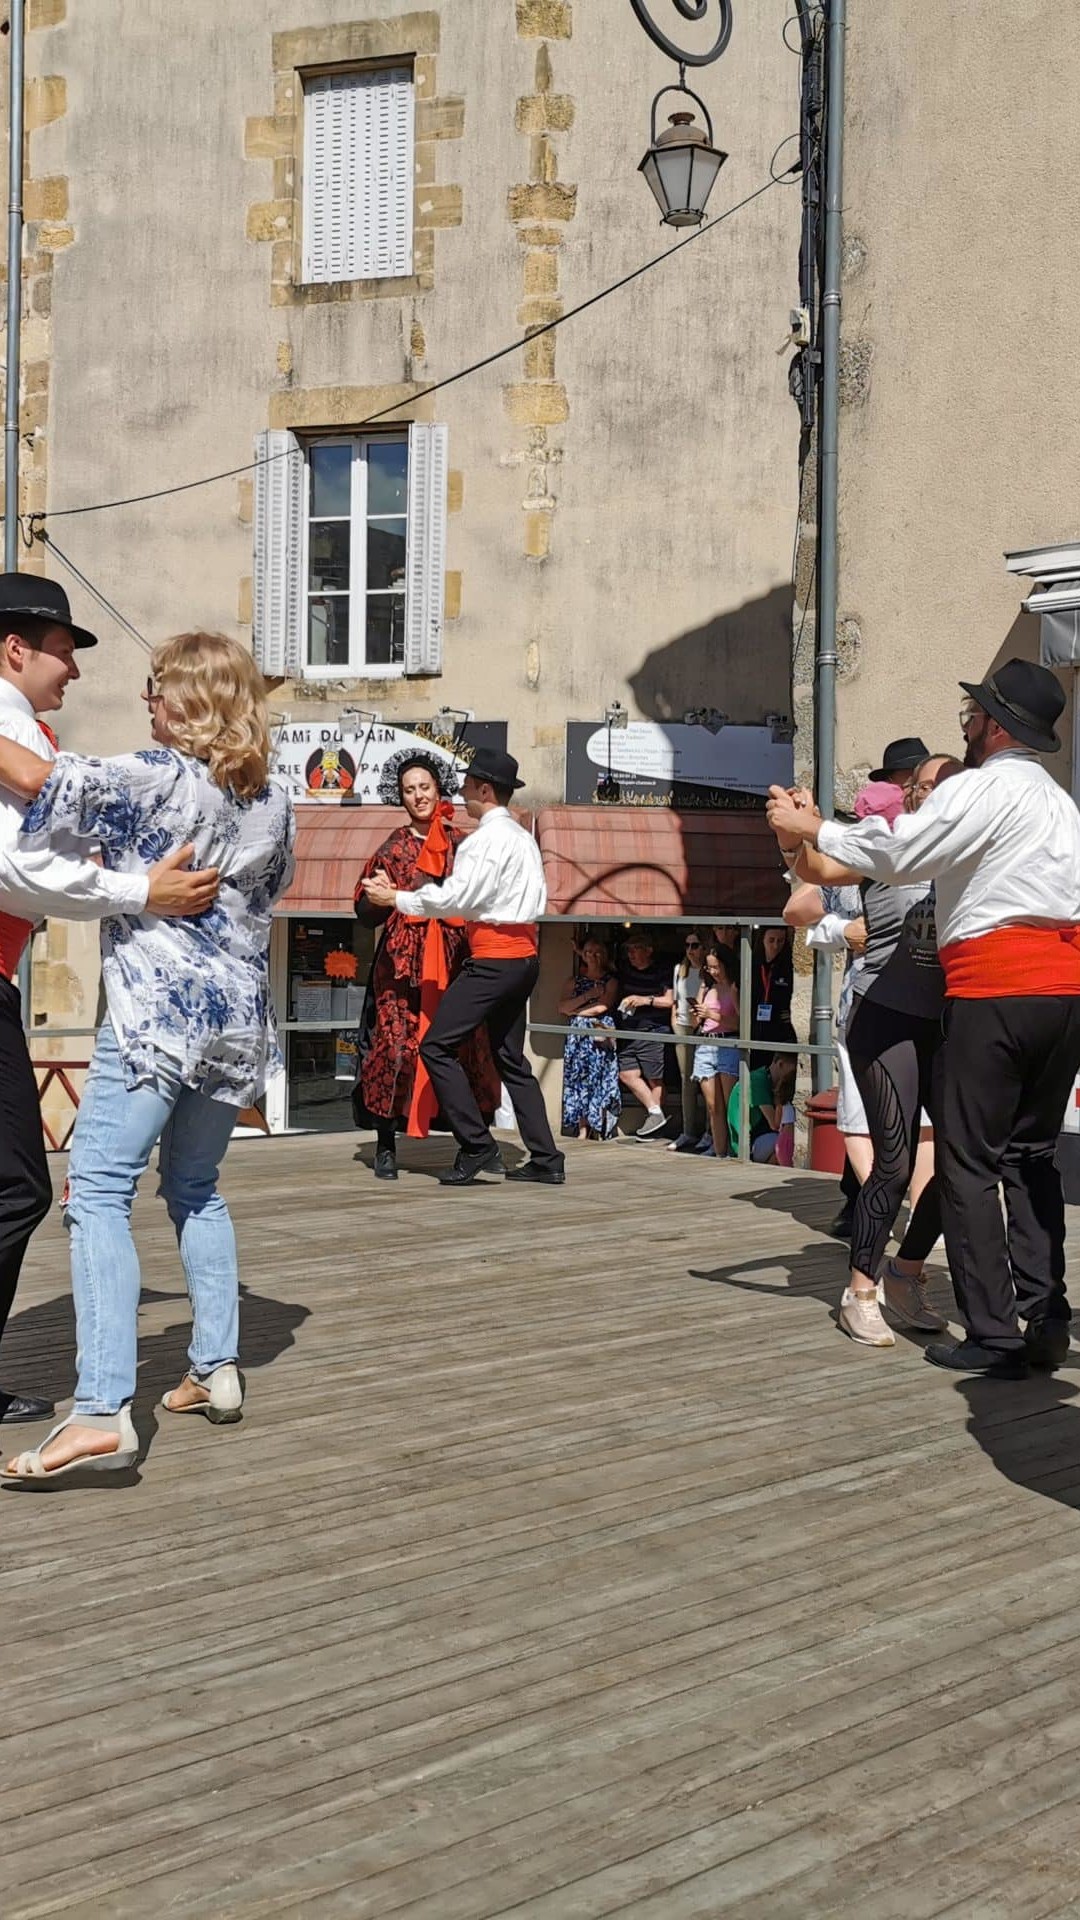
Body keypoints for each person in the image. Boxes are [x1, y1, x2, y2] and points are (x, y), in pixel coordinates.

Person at [1, 632, 294, 1483]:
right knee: (196, 1189)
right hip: (237, 1023)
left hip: (155, 1019)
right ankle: (216, 1368)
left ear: (194, 703)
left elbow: (30, 778)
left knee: (95, 1192)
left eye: (159, 689)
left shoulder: (153, 777)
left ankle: (99, 1412)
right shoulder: (274, 799)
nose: (146, 701)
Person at [767, 657, 1080, 1378]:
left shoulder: (988, 787)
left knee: (970, 1163)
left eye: (971, 717)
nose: (965, 727)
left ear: (996, 724)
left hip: (997, 987)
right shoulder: (1056, 800)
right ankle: (1046, 1313)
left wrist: (811, 823)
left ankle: (994, 1332)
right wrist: (807, 837)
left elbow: (903, 849)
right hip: (1061, 994)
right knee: (1030, 1157)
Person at [0, 575, 217, 1430]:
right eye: (64, 651)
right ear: (16, 647)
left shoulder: (24, 736)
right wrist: (139, 891)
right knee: (20, 1189)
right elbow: (13, 868)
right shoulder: (10, 726)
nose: (75, 673)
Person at [772, 778, 948, 1348]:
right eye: (919, 785)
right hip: (883, 1016)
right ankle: (860, 1292)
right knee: (893, 1164)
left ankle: (907, 1271)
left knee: (964, 1166)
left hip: (946, 1022)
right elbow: (817, 876)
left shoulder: (962, 850)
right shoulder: (885, 843)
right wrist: (797, 832)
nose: (925, 794)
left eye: (939, 785)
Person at [361, 745, 565, 1187]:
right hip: (523, 957)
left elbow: (456, 899)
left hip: (491, 958)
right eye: (410, 789)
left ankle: (476, 1144)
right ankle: (547, 1158)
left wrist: (395, 897)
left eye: (469, 784)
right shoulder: (522, 837)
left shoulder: (481, 841)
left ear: (485, 789)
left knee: (435, 1046)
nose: (463, 791)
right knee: (510, 1057)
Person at [352, 749, 499, 1180]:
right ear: (402, 797)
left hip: (452, 959)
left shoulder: (462, 844)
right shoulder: (392, 847)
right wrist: (375, 897)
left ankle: (474, 1143)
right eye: (409, 789)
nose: (418, 795)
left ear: (438, 790)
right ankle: (384, 1144)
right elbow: (366, 912)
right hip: (401, 964)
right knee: (394, 1049)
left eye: (424, 787)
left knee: (464, 1049)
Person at [558, 936, 619, 1140]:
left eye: (597, 951)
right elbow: (562, 1007)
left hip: (598, 1035)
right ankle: (582, 1127)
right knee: (578, 1080)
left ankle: (599, 1126)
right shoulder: (574, 981)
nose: (593, 956)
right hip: (577, 1037)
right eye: (588, 952)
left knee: (599, 1078)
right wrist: (588, 995)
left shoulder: (610, 981)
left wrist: (575, 1011)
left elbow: (601, 1007)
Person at [615, 932, 675, 1137]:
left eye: (635, 948)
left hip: (653, 1030)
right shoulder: (625, 969)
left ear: (649, 950)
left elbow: (669, 1001)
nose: (631, 954)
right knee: (626, 1074)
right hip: (629, 1031)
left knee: (654, 1079)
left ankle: (654, 1126)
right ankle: (656, 1114)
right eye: (628, 950)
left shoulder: (663, 971)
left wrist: (644, 1000)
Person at [690, 943, 741, 1159]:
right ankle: (720, 1152)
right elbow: (695, 1022)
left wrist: (713, 1015)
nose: (713, 972)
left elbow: (740, 1023)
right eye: (709, 968)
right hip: (705, 1043)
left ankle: (735, 1150)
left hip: (728, 1043)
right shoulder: (708, 988)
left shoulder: (734, 988)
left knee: (730, 1104)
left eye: (716, 967)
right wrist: (699, 1006)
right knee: (713, 1106)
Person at [669, 930, 705, 1150]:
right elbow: (675, 1000)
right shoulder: (679, 970)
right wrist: (674, 1021)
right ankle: (688, 1130)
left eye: (695, 945)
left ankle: (709, 1133)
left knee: (706, 1081)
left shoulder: (707, 971)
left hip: (701, 1027)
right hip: (682, 1026)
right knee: (686, 1082)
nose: (691, 950)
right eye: (688, 945)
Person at [727, 1054, 797, 1163]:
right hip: (747, 1145)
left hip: (759, 1137)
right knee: (785, 1142)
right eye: (792, 1072)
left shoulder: (764, 1077)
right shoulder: (758, 1082)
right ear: (780, 1064)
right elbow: (774, 1124)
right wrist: (780, 1101)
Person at [749, 925, 796, 1065]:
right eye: (771, 940)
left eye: (780, 941)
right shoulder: (752, 965)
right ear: (762, 939)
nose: (775, 945)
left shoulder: (788, 967)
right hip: (755, 1031)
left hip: (779, 1032)